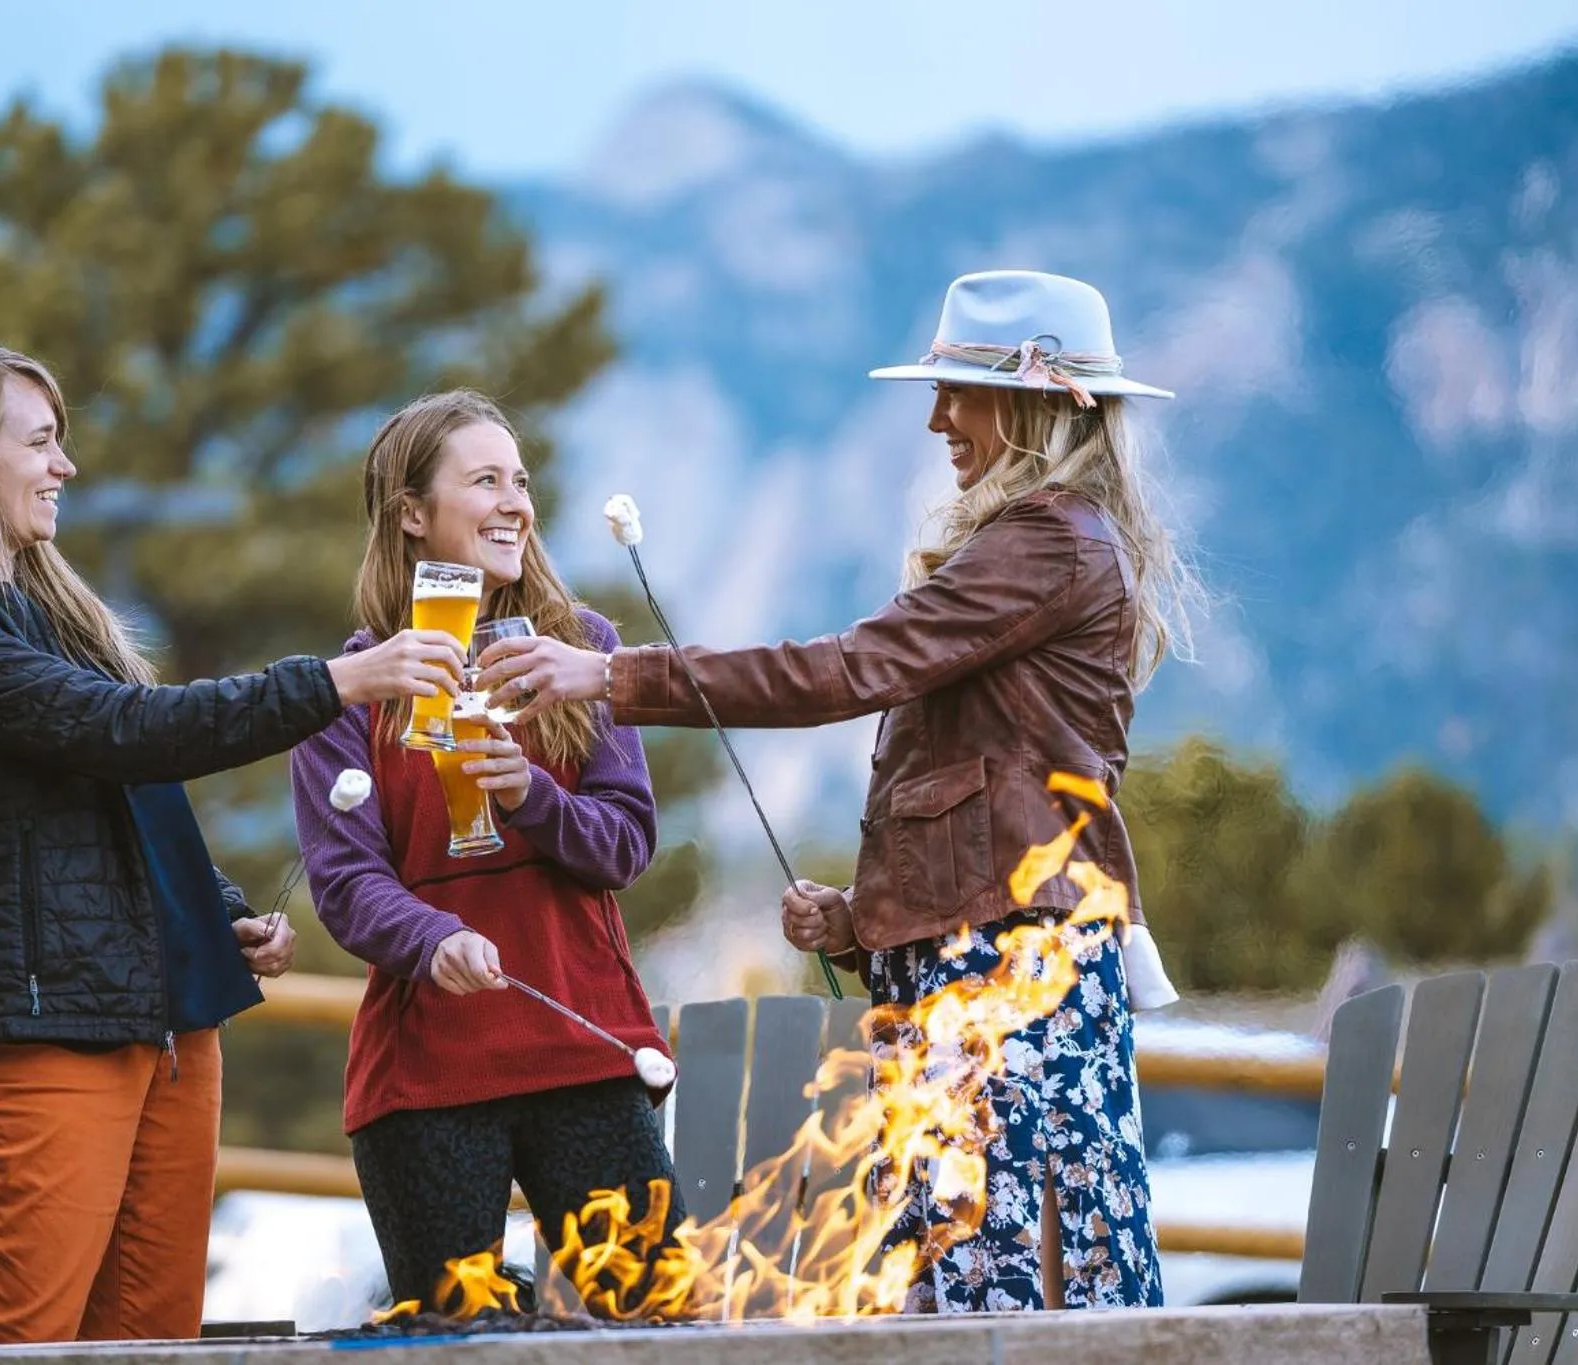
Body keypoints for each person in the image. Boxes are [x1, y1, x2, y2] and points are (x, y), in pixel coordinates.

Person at [473, 271, 1201, 1313]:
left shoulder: (1045, 540)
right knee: (971, 1260)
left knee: (1004, 1271)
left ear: (1029, 405)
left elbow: (846, 671)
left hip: (1010, 961)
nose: (936, 418)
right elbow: (986, 787)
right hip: (991, 949)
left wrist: (610, 675)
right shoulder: (1051, 540)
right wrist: (865, 917)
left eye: (957, 390)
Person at [0, 339, 465, 1344]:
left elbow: (118, 793)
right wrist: (338, 682)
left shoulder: (52, 621)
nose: (65, 465)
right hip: (43, 1025)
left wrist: (218, 911)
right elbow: (125, 731)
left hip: (161, 1022)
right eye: (40, 442)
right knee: (19, 1338)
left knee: (152, 1341)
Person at [289, 389, 680, 1315]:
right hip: (426, 1075)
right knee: (457, 1341)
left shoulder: (582, 648)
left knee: (658, 1325)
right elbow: (345, 883)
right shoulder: (350, 686)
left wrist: (530, 795)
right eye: (486, 481)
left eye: (521, 482)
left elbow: (625, 843)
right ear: (412, 514)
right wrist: (433, 938)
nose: (515, 504)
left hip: (586, 1052)